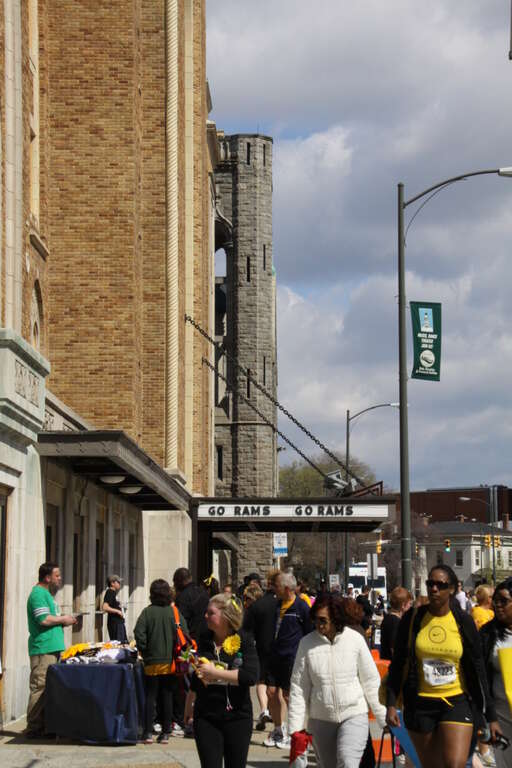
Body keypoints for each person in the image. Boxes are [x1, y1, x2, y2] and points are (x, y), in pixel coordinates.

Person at [386, 564, 496, 768]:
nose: (434, 589)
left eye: (440, 585)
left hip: (456, 701)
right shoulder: (413, 619)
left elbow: (478, 666)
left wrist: (490, 714)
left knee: (455, 764)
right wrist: (391, 703)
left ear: (452, 589)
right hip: (420, 704)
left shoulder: (463, 621)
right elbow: (399, 662)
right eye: (430, 584)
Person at [288, 593, 386, 768]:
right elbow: (299, 688)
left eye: (323, 620)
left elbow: (370, 681)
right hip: (320, 719)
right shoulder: (306, 644)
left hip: (354, 714)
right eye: (315, 619)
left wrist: (383, 717)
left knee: (348, 762)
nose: (318, 624)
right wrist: (295, 728)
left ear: (336, 618)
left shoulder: (355, 640)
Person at [186, 593, 259, 768]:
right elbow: (197, 677)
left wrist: (215, 672)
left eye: (211, 613)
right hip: (206, 716)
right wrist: (188, 705)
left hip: (238, 716)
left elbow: (250, 676)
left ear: (226, 616)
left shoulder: (244, 640)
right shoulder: (204, 638)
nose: (205, 616)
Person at [25, 562, 77, 738]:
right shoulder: (38, 594)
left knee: (48, 687)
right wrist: (63, 619)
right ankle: (34, 727)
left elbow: (50, 618)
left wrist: (65, 620)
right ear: (47, 578)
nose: (60, 578)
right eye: (57, 575)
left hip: (52, 647)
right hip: (43, 648)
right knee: (40, 686)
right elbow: (43, 619)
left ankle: (44, 725)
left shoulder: (47, 595)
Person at [134, 579, 187, 744]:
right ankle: (165, 732)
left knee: (151, 696)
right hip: (171, 661)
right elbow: (185, 633)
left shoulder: (147, 612)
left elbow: (139, 633)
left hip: (151, 661)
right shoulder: (174, 612)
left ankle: (147, 732)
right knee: (167, 695)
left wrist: (145, 650)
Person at [264, 571, 313, 748]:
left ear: (286, 588)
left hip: (291, 658)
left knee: (288, 695)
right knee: (270, 692)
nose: (273, 589)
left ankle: (295, 732)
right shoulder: (276, 606)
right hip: (274, 656)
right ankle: (278, 730)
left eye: (276, 586)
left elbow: (309, 632)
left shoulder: (302, 607)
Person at [480, 578, 512, 768]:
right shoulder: (487, 634)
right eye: (496, 601)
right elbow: (482, 676)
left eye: (504, 601)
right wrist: (489, 717)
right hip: (501, 714)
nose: (498, 605)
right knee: (506, 762)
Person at [243, 569, 278, 732]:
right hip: (280, 649)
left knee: (261, 681)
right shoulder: (283, 605)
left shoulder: (257, 607)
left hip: (261, 647)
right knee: (276, 686)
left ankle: (264, 709)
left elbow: (247, 630)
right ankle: (276, 719)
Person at [173, 567, 209, 641]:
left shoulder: (182, 597)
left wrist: (177, 635)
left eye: (175, 582)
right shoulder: (203, 592)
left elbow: (178, 620)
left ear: (179, 581)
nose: (174, 585)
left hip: (190, 639)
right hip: (206, 636)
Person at [380, 587, 412, 661]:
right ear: (403, 605)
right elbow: (394, 648)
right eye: (409, 603)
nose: (410, 606)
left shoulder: (388, 618)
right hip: (392, 664)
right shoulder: (395, 622)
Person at [102, 574, 128, 642]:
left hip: (118, 623)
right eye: (118, 582)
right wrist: (118, 611)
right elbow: (105, 607)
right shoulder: (110, 592)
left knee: (123, 643)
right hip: (115, 624)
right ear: (112, 583)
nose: (120, 584)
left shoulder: (113, 593)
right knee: (118, 644)